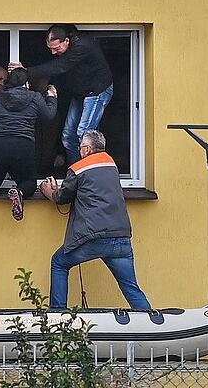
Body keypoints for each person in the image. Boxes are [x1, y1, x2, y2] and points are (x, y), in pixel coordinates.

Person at [39, 130, 150, 309]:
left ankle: (57, 317)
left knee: (59, 263)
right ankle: (149, 322)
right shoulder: (111, 164)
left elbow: (62, 198)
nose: (79, 150)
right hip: (121, 236)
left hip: (94, 237)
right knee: (131, 288)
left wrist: (48, 191)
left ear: (88, 149)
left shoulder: (78, 168)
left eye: (81, 147)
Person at [13, 24, 114, 166]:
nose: (53, 52)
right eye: (50, 49)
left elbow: (60, 66)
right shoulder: (66, 49)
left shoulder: (82, 45)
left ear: (66, 41)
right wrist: (54, 86)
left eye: (56, 48)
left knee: (84, 135)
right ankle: (75, 172)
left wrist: (25, 71)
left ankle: (90, 175)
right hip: (80, 92)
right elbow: (62, 70)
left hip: (97, 90)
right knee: (67, 136)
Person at [0, 68, 58, 221]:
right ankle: (20, 192)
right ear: (26, 84)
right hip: (22, 145)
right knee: (28, 183)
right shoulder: (35, 97)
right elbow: (49, 115)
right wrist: (51, 98)